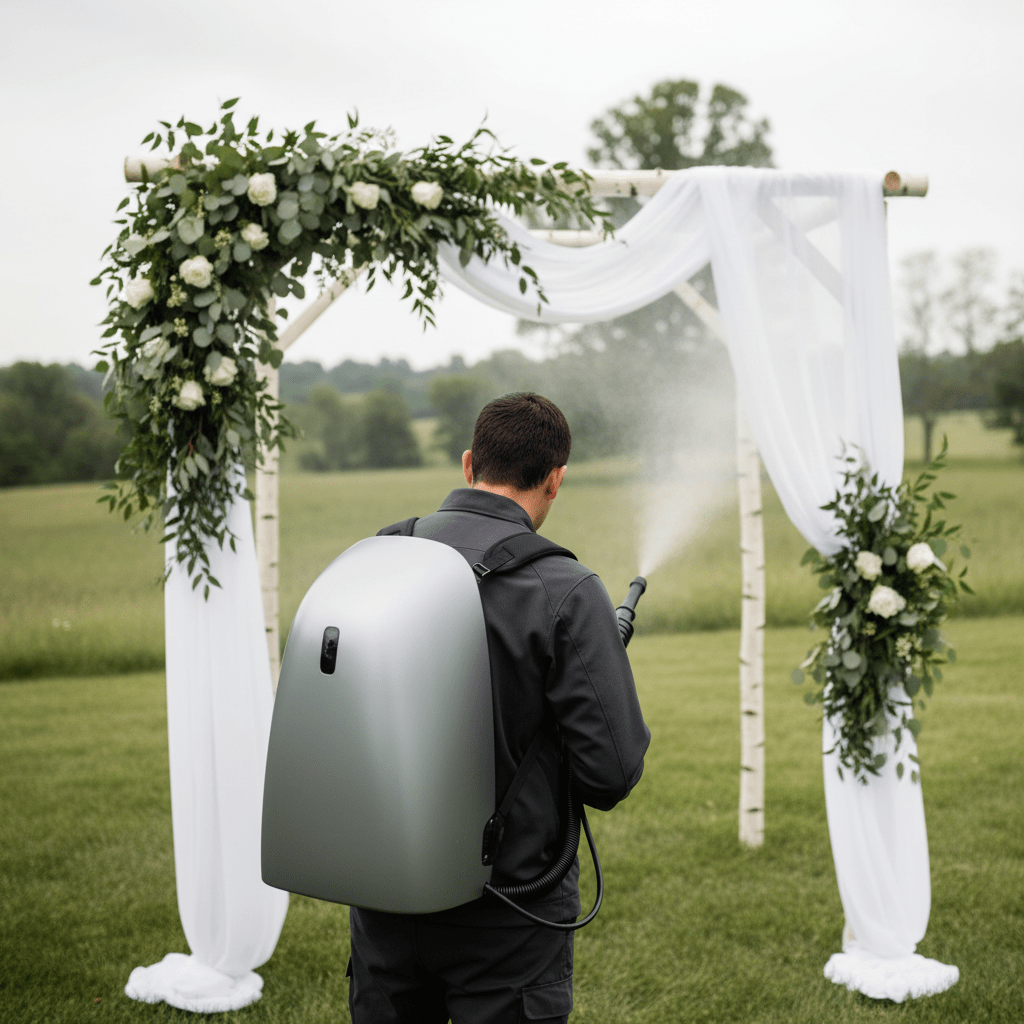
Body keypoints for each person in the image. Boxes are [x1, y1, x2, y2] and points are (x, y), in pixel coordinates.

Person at [347, 392, 650, 1024]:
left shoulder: (379, 555)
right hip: (511, 917)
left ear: (467, 465)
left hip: (385, 898)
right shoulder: (567, 589)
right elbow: (611, 776)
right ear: (556, 480)